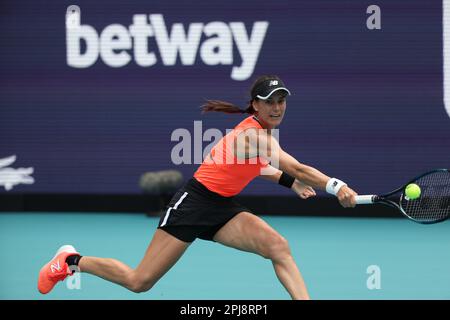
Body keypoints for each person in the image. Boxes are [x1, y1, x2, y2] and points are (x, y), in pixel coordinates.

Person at [37, 75, 358, 300]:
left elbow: (261, 169)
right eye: (269, 102)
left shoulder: (261, 135)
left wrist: (290, 183)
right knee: (140, 281)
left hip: (223, 207)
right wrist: (336, 185)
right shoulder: (253, 135)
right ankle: (69, 261)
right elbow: (295, 166)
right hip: (193, 204)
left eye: (281, 101)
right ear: (255, 106)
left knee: (278, 247)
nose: (277, 107)